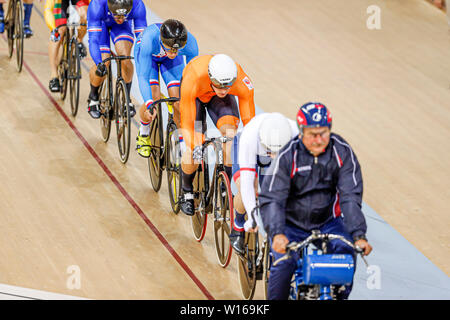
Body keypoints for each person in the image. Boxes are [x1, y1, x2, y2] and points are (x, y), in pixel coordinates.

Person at [259, 102, 373, 300]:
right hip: (290, 223)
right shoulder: (288, 155)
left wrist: (358, 234)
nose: (319, 140)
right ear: (302, 132)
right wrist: (277, 233)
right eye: (313, 134)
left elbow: (350, 197)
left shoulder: (342, 151)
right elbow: (273, 198)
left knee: (346, 253)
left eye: (324, 133)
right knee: (285, 262)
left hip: (328, 221)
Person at [178, 53, 255, 216]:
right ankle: (186, 190)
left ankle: (224, 187)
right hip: (195, 97)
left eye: (227, 86)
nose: (223, 90)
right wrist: (194, 145)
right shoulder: (194, 76)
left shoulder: (240, 81)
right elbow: (187, 121)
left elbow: (250, 122)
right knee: (195, 148)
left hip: (220, 101)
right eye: (219, 85)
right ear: (211, 77)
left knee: (230, 137)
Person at [229, 112, 299, 256]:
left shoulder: (296, 135)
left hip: (277, 154)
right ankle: (238, 224)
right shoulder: (249, 138)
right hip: (251, 151)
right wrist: (252, 217)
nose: (272, 154)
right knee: (245, 188)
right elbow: (248, 183)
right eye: (271, 151)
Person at [134, 19, 199, 158]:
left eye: (177, 50)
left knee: (179, 102)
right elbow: (143, 77)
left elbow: (192, 76)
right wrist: (149, 103)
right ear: (162, 41)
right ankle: (144, 132)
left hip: (170, 64)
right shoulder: (148, 40)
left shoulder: (190, 44)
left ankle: (178, 141)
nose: (173, 53)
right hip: (149, 58)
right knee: (154, 97)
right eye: (170, 48)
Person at [86, 0, 147, 119]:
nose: (120, 18)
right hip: (102, 23)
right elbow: (93, 40)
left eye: (124, 15)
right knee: (105, 61)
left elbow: (143, 39)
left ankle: (126, 98)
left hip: (122, 28)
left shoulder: (137, 4)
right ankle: (93, 96)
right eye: (117, 16)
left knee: (125, 57)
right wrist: (100, 64)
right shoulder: (97, 5)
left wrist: (143, 59)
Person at [44, 0, 89, 92]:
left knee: (85, 16)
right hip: (59, 3)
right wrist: (53, 29)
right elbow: (48, 9)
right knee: (59, 32)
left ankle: (78, 41)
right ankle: (54, 75)